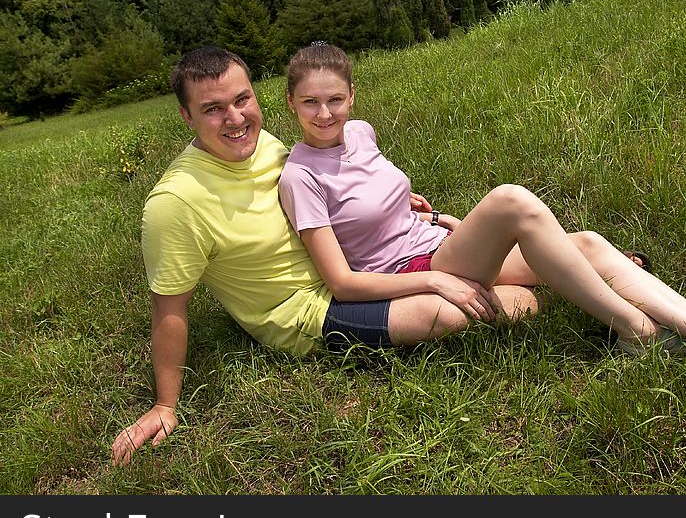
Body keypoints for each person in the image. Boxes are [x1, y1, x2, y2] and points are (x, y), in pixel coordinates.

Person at [278, 42, 686, 398]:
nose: (325, 113)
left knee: (585, 242)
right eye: (311, 102)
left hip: (438, 241)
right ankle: (639, 331)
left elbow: (376, 193)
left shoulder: (361, 134)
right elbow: (343, 283)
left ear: (353, 97)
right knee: (511, 200)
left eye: (336, 99)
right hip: (415, 269)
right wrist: (433, 277)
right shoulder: (299, 177)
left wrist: (425, 208)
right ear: (291, 105)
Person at [111, 46, 542, 466]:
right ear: (186, 116)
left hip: (354, 267)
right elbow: (169, 307)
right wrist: (165, 404)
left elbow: (326, 187)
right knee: (450, 314)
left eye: (242, 99)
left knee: (481, 282)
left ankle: (523, 282)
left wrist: (387, 201)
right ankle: (517, 290)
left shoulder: (261, 144)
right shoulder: (175, 202)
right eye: (213, 109)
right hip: (308, 313)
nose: (235, 118)